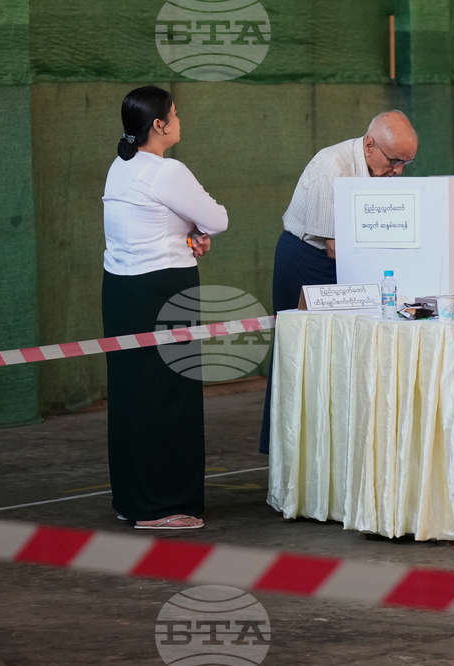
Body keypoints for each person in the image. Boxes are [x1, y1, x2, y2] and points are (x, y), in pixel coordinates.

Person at [101, 86, 228, 530]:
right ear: (158, 125)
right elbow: (218, 218)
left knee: (132, 396)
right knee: (169, 396)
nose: (178, 120)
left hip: (120, 291)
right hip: (162, 291)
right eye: (174, 114)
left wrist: (188, 231)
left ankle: (134, 499)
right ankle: (164, 506)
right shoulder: (167, 170)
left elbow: (153, 222)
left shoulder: (120, 167)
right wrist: (196, 229)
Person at [259, 111, 419, 454]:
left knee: (342, 355)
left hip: (352, 259)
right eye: (394, 161)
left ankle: (337, 450)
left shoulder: (383, 166)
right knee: (298, 355)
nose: (398, 171)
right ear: (370, 144)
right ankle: (286, 450)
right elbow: (334, 247)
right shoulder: (332, 166)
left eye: (406, 163)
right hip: (308, 257)